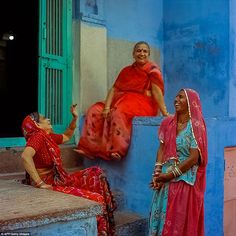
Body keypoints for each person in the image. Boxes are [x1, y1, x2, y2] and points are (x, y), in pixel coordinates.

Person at [21, 105, 116, 236]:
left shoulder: (47, 137)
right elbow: (25, 156)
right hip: (50, 183)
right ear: (37, 125)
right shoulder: (38, 137)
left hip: (58, 179)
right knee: (96, 198)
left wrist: (75, 117)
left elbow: (67, 135)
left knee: (96, 172)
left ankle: (105, 225)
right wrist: (39, 183)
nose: (48, 119)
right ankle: (100, 231)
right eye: (44, 119)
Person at [76, 41, 169, 161]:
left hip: (143, 104)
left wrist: (164, 112)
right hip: (121, 100)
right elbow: (114, 89)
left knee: (118, 111)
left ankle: (117, 150)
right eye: (138, 50)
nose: (142, 53)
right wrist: (106, 107)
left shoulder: (153, 70)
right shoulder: (126, 71)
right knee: (95, 109)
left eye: (145, 51)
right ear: (133, 54)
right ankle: (89, 148)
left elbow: (157, 92)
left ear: (149, 54)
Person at [149, 89, 208, 236]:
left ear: (191, 103)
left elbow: (194, 158)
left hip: (184, 182)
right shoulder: (167, 123)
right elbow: (161, 149)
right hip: (165, 180)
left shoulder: (195, 126)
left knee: (178, 221)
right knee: (161, 221)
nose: (176, 99)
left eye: (181, 97)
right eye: (176, 96)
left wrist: (170, 175)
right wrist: (157, 175)